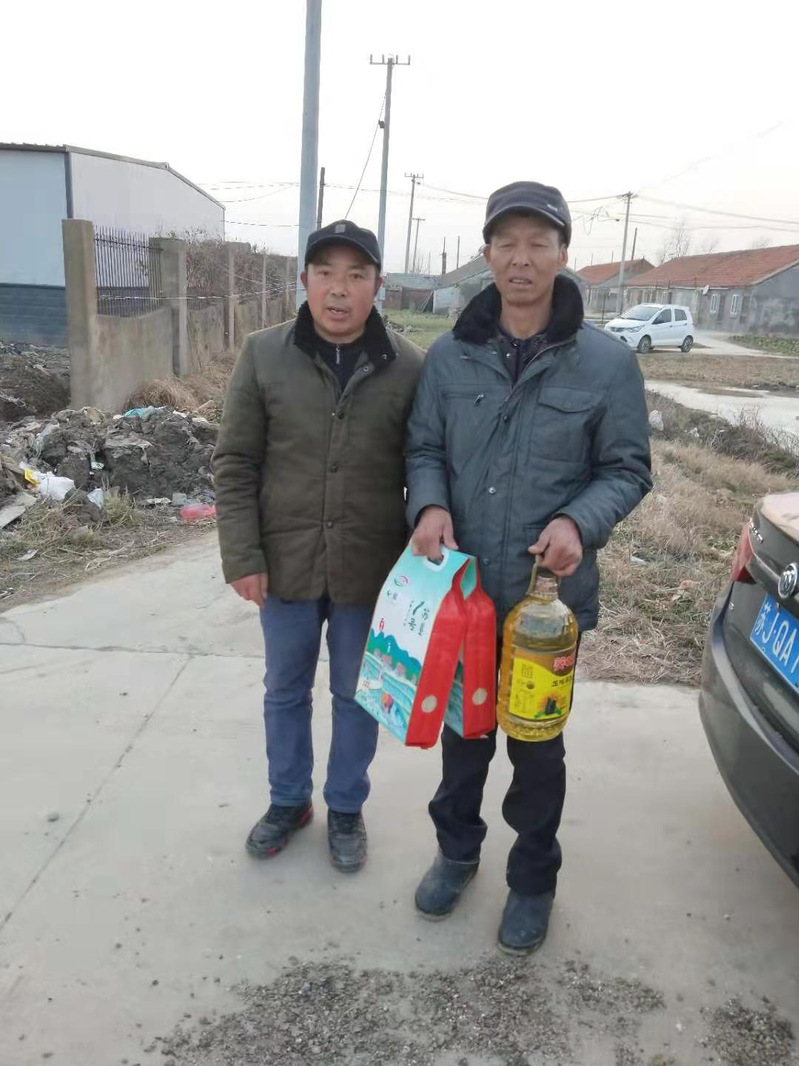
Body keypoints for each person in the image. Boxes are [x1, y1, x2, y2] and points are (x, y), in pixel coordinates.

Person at [406, 181, 652, 952]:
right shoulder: (449, 357)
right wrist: (429, 505)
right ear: (486, 254)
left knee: (537, 749)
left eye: (537, 242)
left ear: (562, 253)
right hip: (465, 593)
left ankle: (532, 880)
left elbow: (626, 469)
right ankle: (456, 853)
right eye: (506, 243)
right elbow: (424, 448)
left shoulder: (605, 363)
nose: (521, 258)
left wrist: (577, 521)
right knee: (462, 738)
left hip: (547, 604)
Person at [213, 219, 423, 873]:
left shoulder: (408, 366)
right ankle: (288, 800)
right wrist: (243, 556)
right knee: (285, 690)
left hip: (370, 568)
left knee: (358, 694)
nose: (339, 289)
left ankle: (346, 807)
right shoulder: (263, 354)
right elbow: (235, 462)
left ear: (377, 286)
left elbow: (425, 462)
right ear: (303, 280)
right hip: (285, 564)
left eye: (356, 275)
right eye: (326, 273)